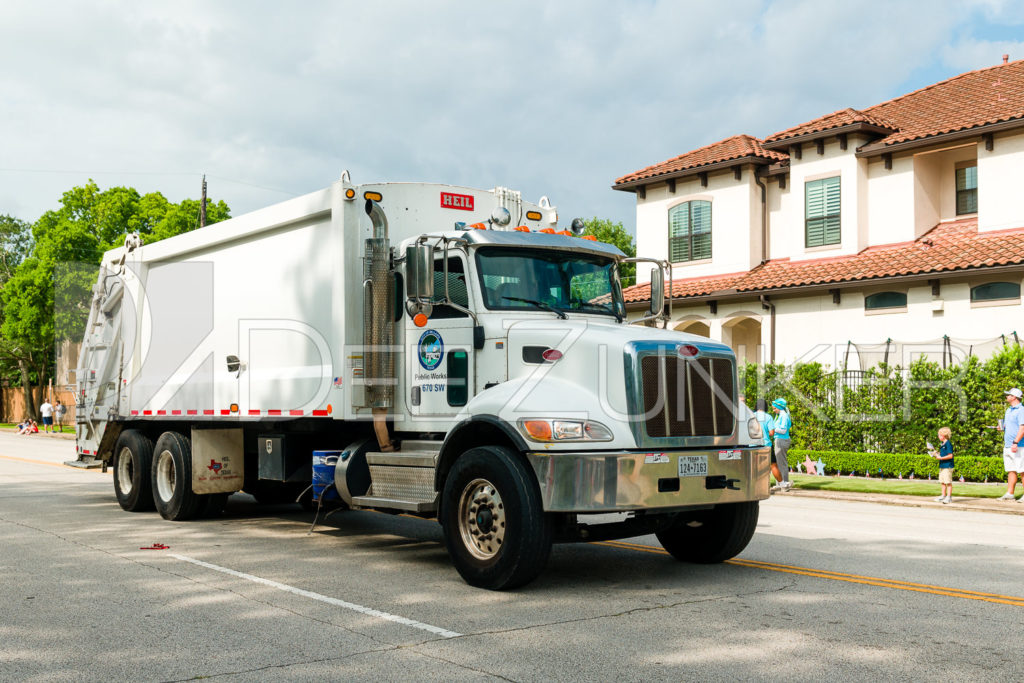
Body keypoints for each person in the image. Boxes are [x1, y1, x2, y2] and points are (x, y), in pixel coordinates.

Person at [998, 387, 1024, 501]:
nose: (1006, 396)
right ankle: (1010, 494)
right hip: (1008, 445)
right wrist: (1002, 428)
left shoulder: (1021, 410)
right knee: (1011, 470)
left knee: (1022, 470)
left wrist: (1015, 442)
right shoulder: (1008, 410)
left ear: (1014, 397)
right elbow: (1009, 426)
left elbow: (1022, 428)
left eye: (1008, 395)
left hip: (1019, 445)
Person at [770, 398, 792, 491]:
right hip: (779, 440)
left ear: (779, 407)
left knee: (781, 463)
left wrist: (772, 429)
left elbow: (783, 430)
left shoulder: (784, 416)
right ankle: (780, 483)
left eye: (775, 408)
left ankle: (785, 484)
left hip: (782, 440)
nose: (773, 410)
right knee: (778, 463)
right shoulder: (779, 416)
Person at [754, 399, 778, 482]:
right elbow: (771, 433)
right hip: (765, 444)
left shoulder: (751, 416)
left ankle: (756, 485)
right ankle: (783, 484)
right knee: (773, 465)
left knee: (755, 466)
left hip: (752, 445)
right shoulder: (768, 417)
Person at [929, 427, 954, 504]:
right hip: (942, 465)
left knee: (948, 482)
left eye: (939, 435)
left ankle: (949, 497)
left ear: (944, 435)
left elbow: (950, 456)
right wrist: (936, 454)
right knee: (942, 482)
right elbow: (943, 454)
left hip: (948, 466)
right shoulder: (942, 444)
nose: (938, 436)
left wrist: (941, 458)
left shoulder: (948, 444)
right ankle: (943, 496)